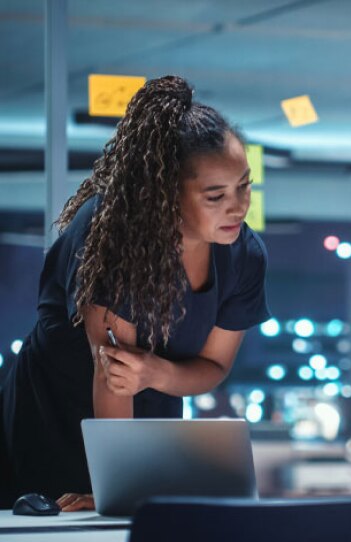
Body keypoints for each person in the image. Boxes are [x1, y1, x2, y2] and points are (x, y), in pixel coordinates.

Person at [0, 76, 270, 511]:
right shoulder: (113, 238)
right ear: (166, 194)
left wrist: (157, 375)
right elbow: (114, 375)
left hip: (148, 417)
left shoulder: (244, 254)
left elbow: (214, 364)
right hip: (54, 410)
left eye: (244, 186)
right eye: (215, 196)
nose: (237, 207)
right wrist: (111, 486)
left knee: (142, 529)